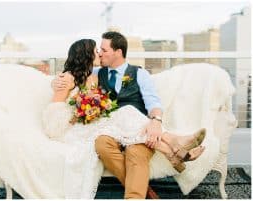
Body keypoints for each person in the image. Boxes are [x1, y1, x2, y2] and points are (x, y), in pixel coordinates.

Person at [47, 36, 205, 199]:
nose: (100, 54)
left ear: (118, 52)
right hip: (88, 128)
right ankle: (173, 146)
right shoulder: (94, 73)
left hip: (141, 129)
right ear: (87, 55)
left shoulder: (139, 74)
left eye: (103, 50)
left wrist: (156, 122)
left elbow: (153, 102)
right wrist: (57, 84)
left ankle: (140, 191)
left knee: (129, 123)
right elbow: (65, 93)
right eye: (97, 51)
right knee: (105, 138)